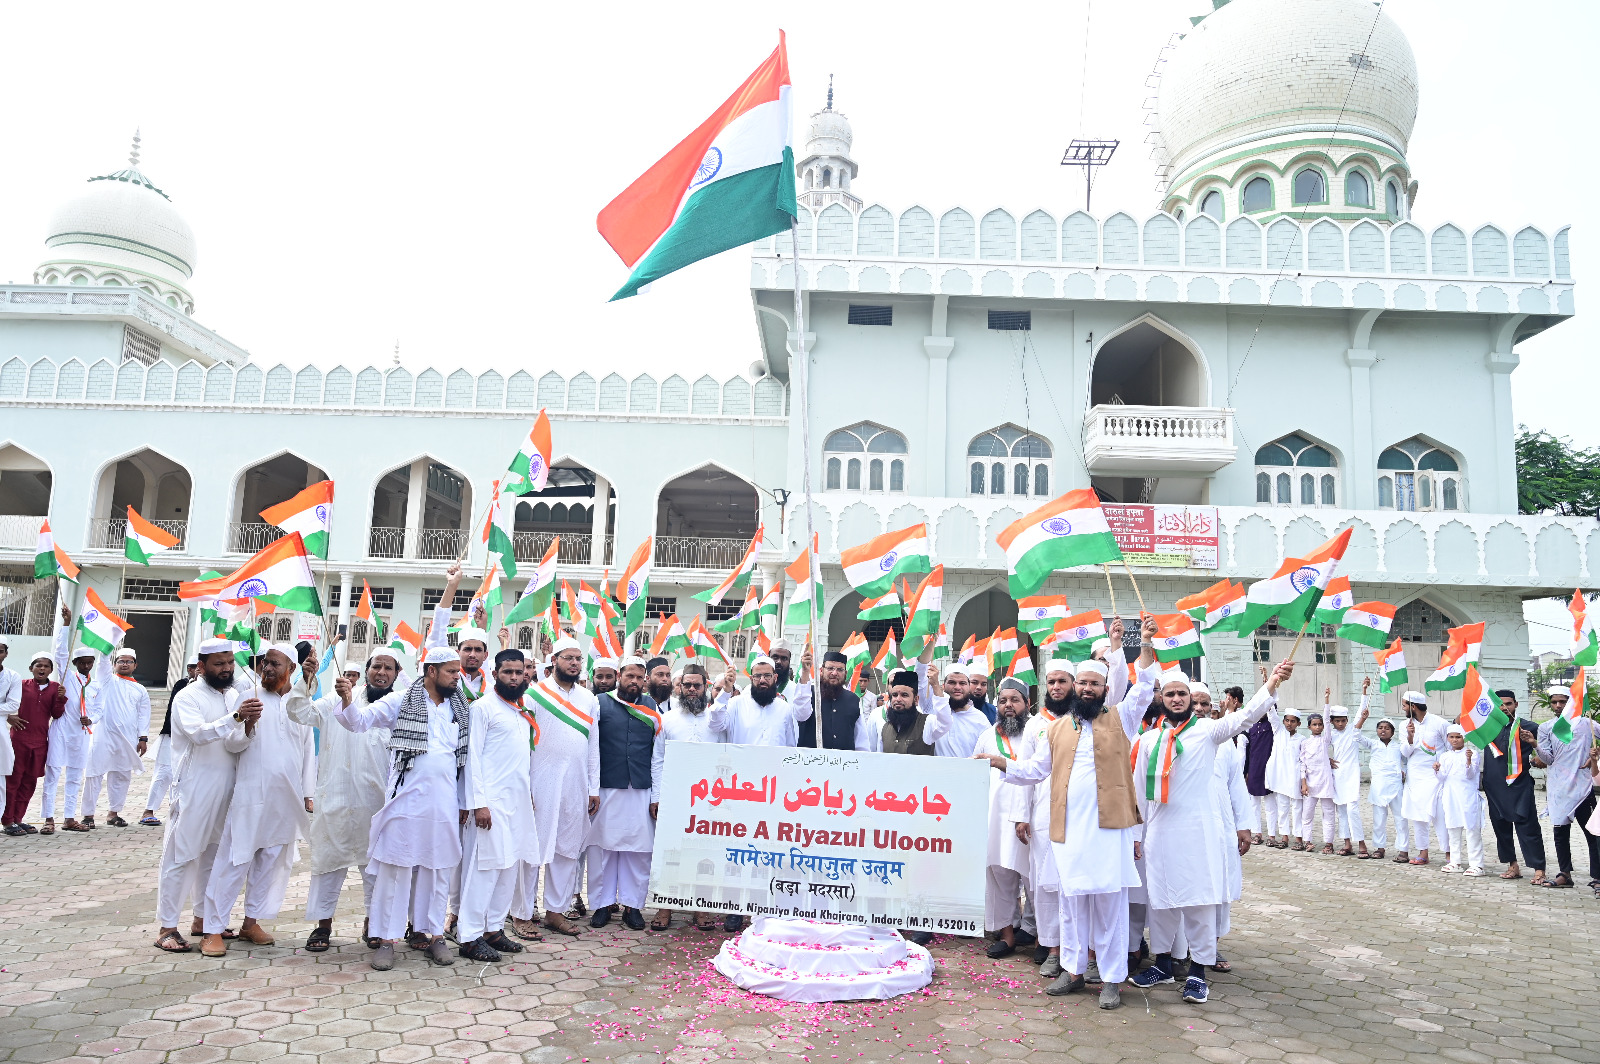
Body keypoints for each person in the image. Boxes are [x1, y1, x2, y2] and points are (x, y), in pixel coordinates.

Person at [984, 631, 1163, 1012]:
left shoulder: (1122, 718)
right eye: (1081, 683)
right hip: (1067, 833)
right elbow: (1035, 769)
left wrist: (1145, 647)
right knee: (1071, 904)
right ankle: (1073, 970)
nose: (1085, 689)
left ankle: (1113, 978)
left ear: (1104, 688)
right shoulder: (1056, 728)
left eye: (1093, 684)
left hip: (1109, 832)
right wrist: (1002, 763)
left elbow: (1144, 686)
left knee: (1109, 907)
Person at [1130, 662, 1294, 1005]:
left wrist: (1272, 684)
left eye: (1182, 694)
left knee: (1199, 901)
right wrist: (1135, 834)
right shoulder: (1149, 739)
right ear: (1161, 698)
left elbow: (1245, 717)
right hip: (1159, 833)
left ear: (1191, 699)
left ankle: (1198, 972)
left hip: (1198, 832)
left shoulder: (1208, 732)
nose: (1176, 699)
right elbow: (1137, 790)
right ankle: (1161, 964)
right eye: (1170, 693)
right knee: (1161, 901)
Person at [336, 644, 470, 970]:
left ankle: (434, 934)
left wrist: (466, 802)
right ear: (432, 672)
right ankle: (386, 939)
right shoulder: (401, 700)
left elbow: (467, 761)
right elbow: (358, 723)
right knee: (395, 870)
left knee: (438, 870)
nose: (458, 676)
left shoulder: (459, 709)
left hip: (443, 803)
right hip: (405, 801)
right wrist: (347, 700)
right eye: (452, 671)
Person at [199, 645, 316, 957]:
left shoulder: (300, 703)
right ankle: (212, 929)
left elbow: (307, 752)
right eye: (265, 662)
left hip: (286, 799)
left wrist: (308, 794)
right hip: (252, 795)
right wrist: (247, 726)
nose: (267, 668)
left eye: (275, 664)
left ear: (291, 667)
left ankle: (251, 922)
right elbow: (232, 744)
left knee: (271, 863)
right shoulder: (248, 696)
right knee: (234, 861)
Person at [291, 642, 401, 952]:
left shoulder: (398, 707)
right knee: (328, 864)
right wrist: (307, 679)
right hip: (335, 799)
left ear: (396, 674)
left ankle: (374, 924)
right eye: (375, 666)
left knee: (376, 870)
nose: (380, 673)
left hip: (376, 804)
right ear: (366, 671)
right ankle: (322, 925)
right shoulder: (333, 700)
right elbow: (299, 712)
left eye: (387, 668)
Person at [153, 639, 258, 953]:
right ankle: (167, 927)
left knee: (212, 856)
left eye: (229, 663)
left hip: (227, 785)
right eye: (218, 664)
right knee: (181, 855)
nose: (226, 669)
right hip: (194, 787)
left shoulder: (233, 697)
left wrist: (248, 725)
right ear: (201, 666)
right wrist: (237, 717)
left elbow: (234, 743)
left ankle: (202, 919)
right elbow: (198, 734)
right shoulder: (188, 696)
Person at [708, 655, 813, 930]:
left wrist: (804, 674)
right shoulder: (734, 704)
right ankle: (735, 908)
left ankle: (769, 904)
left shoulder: (784, 708)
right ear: (750, 678)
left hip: (777, 794)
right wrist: (724, 692)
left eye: (768, 676)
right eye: (758, 676)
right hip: (743, 792)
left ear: (775, 678)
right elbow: (715, 725)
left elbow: (794, 741)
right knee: (739, 851)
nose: (763, 680)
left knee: (772, 851)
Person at [458, 648, 541, 961]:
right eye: (508, 672)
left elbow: (521, 761)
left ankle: (493, 929)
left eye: (519, 672)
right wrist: (478, 803)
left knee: (509, 867)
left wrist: (528, 794)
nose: (515, 677)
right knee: (485, 869)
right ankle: (468, 936)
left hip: (517, 804)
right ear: (495, 674)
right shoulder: (482, 708)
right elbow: (473, 759)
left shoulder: (521, 711)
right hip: (490, 805)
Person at [514, 637, 600, 938]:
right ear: (554, 661)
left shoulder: (589, 699)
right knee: (533, 849)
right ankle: (522, 913)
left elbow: (593, 746)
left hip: (576, 784)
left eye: (578, 658)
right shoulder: (534, 694)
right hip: (540, 782)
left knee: (566, 848)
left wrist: (594, 787)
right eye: (568, 658)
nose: (575, 663)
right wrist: (524, 786)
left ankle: (555, 911)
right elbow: (522, 744)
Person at [585, 657, 660, 932]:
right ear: (619, 675)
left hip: (639, 786)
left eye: (640, 678)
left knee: (637, 851)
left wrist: (656, 794)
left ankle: (633, 906)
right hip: (607, 786)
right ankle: (602, 905)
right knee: (603, 849)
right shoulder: (600, 703)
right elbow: (591, 747)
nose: (634, 682)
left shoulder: (651, 706)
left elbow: (657, 751)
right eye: (630, 676)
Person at [649, 663, 726, 931]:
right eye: (687, 685)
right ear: (679, 687)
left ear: (706, 687)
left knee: (705, 853)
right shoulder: (667, 720)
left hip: (709, 801)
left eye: (697, 685)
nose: (692, 689)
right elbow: (657, 760)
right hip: (674, 796)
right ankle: (664, 908)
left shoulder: (718, 720)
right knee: (670, 852)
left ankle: (701, 909)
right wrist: (656, 797)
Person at [1015, 660, 1072, 977]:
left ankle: (1079, 948)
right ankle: (1051, 947)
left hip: (1078, 815)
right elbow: (1025, 770)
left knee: (1072, 883)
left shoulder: (1084, 721)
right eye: (1051, 682)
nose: (1056, 687)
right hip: (1041, 815)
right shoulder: (1035, 724)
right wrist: (1022, 815)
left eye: (1062, 681)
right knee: (1043, 885)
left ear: (1073, 684)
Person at [1197, 682, 1254, 975]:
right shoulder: (1167, 738)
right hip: (1187, 828)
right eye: (1194, 702)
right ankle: (1178, 952)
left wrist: (1243, 826)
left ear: (1213, 707)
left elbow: (1236, 784)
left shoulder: (1225, 742)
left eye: (1205, 703)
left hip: (1220, 826)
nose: (1199, 708)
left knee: (1219, 887)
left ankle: (1211, 945)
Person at [977, 677, 1034, 960]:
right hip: (995, 817)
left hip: (1030, 818)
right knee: (1000, 877)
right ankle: (1007, 935)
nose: (1008, 706)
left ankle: (1044, 941)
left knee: (1034, 880)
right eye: (1003, 701)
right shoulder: (988, 736)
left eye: (1015, 700)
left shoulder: (1038, 733)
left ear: (1027, 703)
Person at [1536, 684, 1597, 890]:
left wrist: (1596, 756)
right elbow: (1549, 758)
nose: (1559, 705)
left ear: (1571, 702)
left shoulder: (1588, 724)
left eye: (1563, 701)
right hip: (1558, 789)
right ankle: (1565, 874)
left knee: (1593, 833)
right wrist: (1535, 744)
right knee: (1560, 832)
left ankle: (1597, 876)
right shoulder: (1546, 727)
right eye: (1555, 702)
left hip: (1583, 788)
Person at [1481, 689, 1546, 883]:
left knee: (1528, 826)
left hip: (1519, 784)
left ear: (1516, 705)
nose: (1504, 707)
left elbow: (1544, 752)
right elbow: (1459, 722)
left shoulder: (1529, 727)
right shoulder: (1486, 727)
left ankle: (1538, 868)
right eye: (1500, 704)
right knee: (1501, 826)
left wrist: (1536, 755)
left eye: (1508, 704)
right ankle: (1512, 865)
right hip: (1494, 785)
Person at [46, 608, 99, 832]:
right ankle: (49, 819)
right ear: (75, 662)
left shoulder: (95, 685)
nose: (86, 666)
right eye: (82, 662)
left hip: (81, 733)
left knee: (76, 776)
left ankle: (69, 818)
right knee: (53, 774)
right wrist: (66, 624)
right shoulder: (68, 674)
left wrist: (91, 719)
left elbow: (99, 709)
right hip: (61, 730)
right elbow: (59, 652)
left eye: (89, 663)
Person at [4, 651, 64, 834]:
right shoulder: (20, 685)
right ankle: (7, 821)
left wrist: (61, 698)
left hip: (40, 742)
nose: (42, 668)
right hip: (18, 740)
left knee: (29, 782)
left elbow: (57, 714)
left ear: (51, 670)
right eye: (38, 665)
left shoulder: (55, 688)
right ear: (31, 668)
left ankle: (18, 818)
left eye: (46, 666)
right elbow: (6, 703)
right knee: (13, 781)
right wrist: (9, 717)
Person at [139, 656, 198, 826]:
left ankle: (179, 811)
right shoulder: (182, 684)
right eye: (194, 667)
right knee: (163, 773)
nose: (197, 671)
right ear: (189, 669)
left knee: (186, 775)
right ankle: (148, 810)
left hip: (194, 739)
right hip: (171, 736)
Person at [1398, 692, 1448, 866]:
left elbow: (1450, 748)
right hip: (1415, 777)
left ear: (1413, 707)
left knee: (1440, 815)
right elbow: (1404, 753)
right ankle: (1423, 853)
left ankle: (1449, 854)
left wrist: (1443, 767)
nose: (1402, 708)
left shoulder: (1440, 723)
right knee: (1418, 815)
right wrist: (1410, 738)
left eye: (1404, 705)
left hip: (1436, 777)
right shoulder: (1404, 725)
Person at [1326, 686, 1371, 857]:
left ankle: (1361, 843)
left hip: (1351, 774)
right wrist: (1327, 760)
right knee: (1342, 810)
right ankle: (1347, 844)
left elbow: (1361, 713)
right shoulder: (1330, 735)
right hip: (1337, 774)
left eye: (1343, 720)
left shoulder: (1353, 730)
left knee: (1353, 809)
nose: (1341, 724)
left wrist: (1364, 691)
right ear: (1332, 721)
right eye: (1337, 721)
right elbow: (1320, 748)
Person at [1433, 723, 1484, 875]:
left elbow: (1471, 774)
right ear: (1448, 738)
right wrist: (1436, 769)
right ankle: (1455, 862)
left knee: (1471, 829)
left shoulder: (1472, 753)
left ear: (1464, 738)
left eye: (1458, 737)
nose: (1455, 740)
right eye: (1452, 737)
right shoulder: (1445, 756)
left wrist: (1468, 761)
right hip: (1450, 796)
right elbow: (1442, 777)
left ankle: (1477, 864)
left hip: (1467, 796)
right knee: (1453, 828)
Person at [798, 650, 870, 751]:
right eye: (830, 668)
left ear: (845, 673)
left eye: (840, 670)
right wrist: (805, 672)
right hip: (812, 762)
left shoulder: (853, 700)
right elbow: (800, 715)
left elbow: (861, 740)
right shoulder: (807, 694)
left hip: (844, 763)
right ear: (821, 671)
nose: (835, 673)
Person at [1361, 717, 1406, 861]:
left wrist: (1404, 772)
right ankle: (1380, 848)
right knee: (1379, 820)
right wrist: (1362, 718)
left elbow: (1407, 761)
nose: (1383, 730)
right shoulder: (1373, 744)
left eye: (1387, 728)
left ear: (1393, 732)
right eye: (1380, 727)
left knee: (1400, 818)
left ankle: (1403, 850)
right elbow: (1356, 735)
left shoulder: (1399, 746)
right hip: (1378, 787)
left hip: (1395, 786)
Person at [929, 663, 990, 758]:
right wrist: (934, 684)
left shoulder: (980, 719)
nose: (957, 687)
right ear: (943, 686)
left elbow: (988, 754)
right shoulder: (933, 712)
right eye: (952, 682)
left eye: (962, 683)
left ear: (969, 687)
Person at [1262, 707, 1303, 848]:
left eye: (1292, 721)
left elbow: (1308, 758)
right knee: (1282, 809)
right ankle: (1284, 837)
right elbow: (1271, 713)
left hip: (1295, 778)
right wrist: (1270, 689)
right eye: (1286, 720)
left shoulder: (1302, 740)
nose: (1289, 723)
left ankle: (1298, 839)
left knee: (1297, 809)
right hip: (1280, 777)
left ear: (1299, 723)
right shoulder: (1278, 731)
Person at [1237, 685, 1272, 846]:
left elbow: (1273, 706)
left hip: (1270, 770)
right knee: (1254, 804)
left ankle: (1272, 835)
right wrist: (1246, 772)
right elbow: (1247, 752)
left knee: (1271, 805)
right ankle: (1257, 832)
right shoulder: (1251, 728)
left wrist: (1267, 683)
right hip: (1254, 770)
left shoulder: (1272, 726)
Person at [1298, 711, 1337, 854]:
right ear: (1309, 727)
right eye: (1314, 725)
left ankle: (1329, 844)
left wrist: (1326, 701)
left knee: (1328, 814)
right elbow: (1302, 764)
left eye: (1320, 724)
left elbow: (1327, 721)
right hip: (1310, 783)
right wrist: (1303, 783)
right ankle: (1307, 841)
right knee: (1307, 815)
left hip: (1326, 782)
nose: (1318, 727)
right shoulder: (1305, 743)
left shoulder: (1325, 740)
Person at [0, 638, 17, 829]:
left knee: (0, 776)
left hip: (0, 731)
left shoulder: (12, 677)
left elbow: (13, 705)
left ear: (5, 653)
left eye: (0, 651)